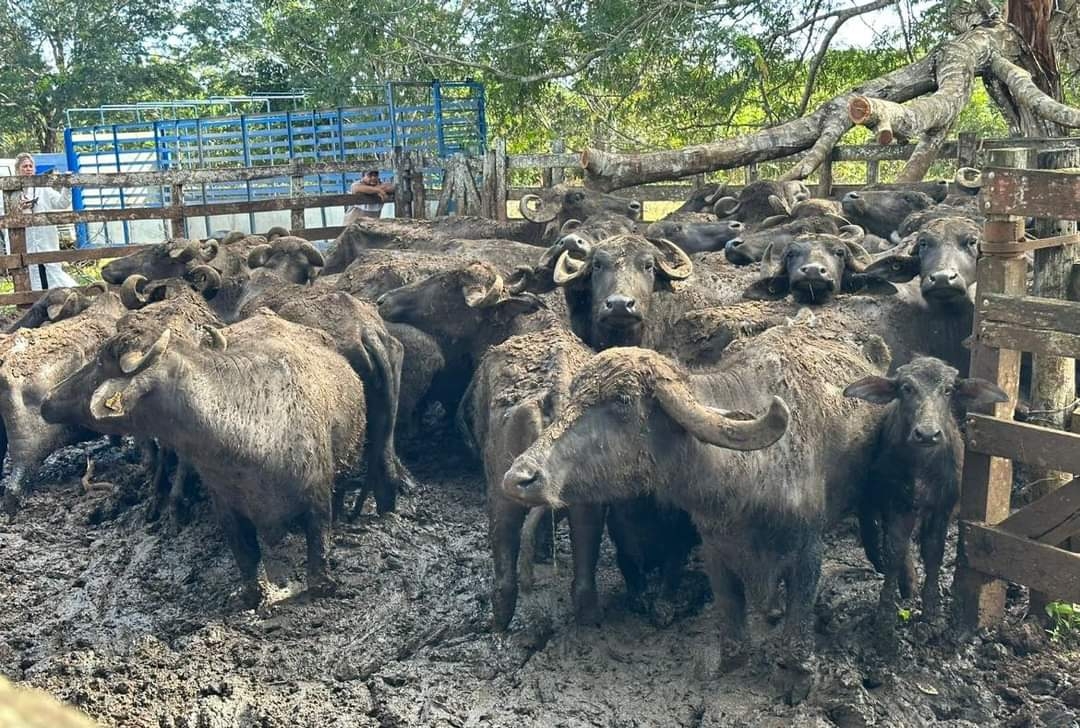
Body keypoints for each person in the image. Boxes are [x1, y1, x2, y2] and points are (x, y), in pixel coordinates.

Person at [0, 152, 77, 290]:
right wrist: (17, 208)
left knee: (53, 273)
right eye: (24, 166)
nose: (28, 169)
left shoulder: (43, 189)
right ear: (17, 170)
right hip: (24, 242)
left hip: (45, 240)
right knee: (28, 276)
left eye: (30, 166)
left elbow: (61, 203)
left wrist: (67, 186)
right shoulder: (8, 191)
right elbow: (3, 215)